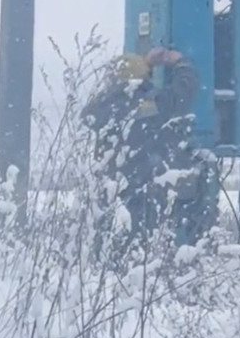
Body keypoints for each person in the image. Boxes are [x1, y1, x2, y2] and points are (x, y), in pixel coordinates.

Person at [81, 47, 219, 263]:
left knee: (111, 242)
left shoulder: (102, 107)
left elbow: (91, 111)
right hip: (141, 187)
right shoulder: (145, 105)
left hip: (110, 188)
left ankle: (108, 276)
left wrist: (141, 64)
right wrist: (180, 61)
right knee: (140, 245)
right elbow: (181, 93)